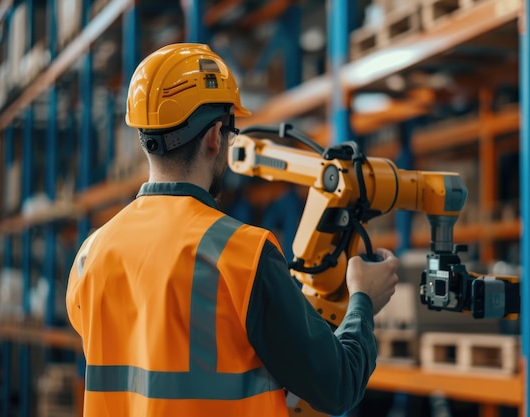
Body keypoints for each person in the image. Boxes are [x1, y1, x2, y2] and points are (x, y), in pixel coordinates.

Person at [66, 43, 399, 417]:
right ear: (214, 137)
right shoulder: (243, 255)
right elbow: (338, 385)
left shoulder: (90, 255)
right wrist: (364, 300)